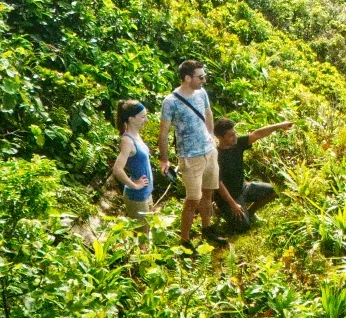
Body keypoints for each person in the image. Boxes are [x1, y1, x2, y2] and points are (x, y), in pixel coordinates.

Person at [159, 59, 224, 248]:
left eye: (204, 76)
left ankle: (206, 228)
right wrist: (164, 159)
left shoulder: (201, 93)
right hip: (189, 157)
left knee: (208, 194)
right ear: (187, 78)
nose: (204, 80)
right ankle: (185, 240)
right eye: (200, 77)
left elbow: (208, 113)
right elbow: (163, 132)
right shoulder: (170, 102)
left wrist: (211, 134)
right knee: (192, 199)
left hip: (209, 152)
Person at [214, 117, 293, 233]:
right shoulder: (215, 157)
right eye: (231, 135)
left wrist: (280, 125)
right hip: (227, 198)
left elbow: (257, 134)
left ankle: (249, 213)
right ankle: (219, 209)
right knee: (243, 227)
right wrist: (233, 204)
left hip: (243, 188)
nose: (235, 137)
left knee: (274, 190)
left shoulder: (237, 144)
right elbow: (218, 184)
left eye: (235, 133)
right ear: (220, 138)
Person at [110, 99, 155, 237]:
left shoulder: (136, 135)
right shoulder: (127, 140)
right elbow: (117, 169)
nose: (145, 120)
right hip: (137, 196)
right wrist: (134, 185)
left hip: (147, 193)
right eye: (142, 117)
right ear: (131, 119)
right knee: (142, 237)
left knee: (148, 232)